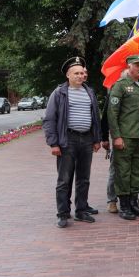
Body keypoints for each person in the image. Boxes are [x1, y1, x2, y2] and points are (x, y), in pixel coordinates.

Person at [43, 57, 101, 228]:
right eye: (76, 73)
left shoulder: (89, 92)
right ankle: (63, 213)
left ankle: (81, 210)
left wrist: (97, 139)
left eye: (82, 73)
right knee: (64, 179)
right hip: (67, 140)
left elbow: (95, 117)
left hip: (87, 139)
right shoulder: (59, 93)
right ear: (68, 75)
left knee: (84, 178)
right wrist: (53, 143)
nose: (80, 75)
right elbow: (49, 119)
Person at [107, 54, 139, 221]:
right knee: (123, 172)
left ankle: (134, 201)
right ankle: (124, 205)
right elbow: (112, 113)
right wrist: (116, 137)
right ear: (129, 66)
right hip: (125, 137)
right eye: (137, 65)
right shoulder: (120, 86)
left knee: (138, 171)